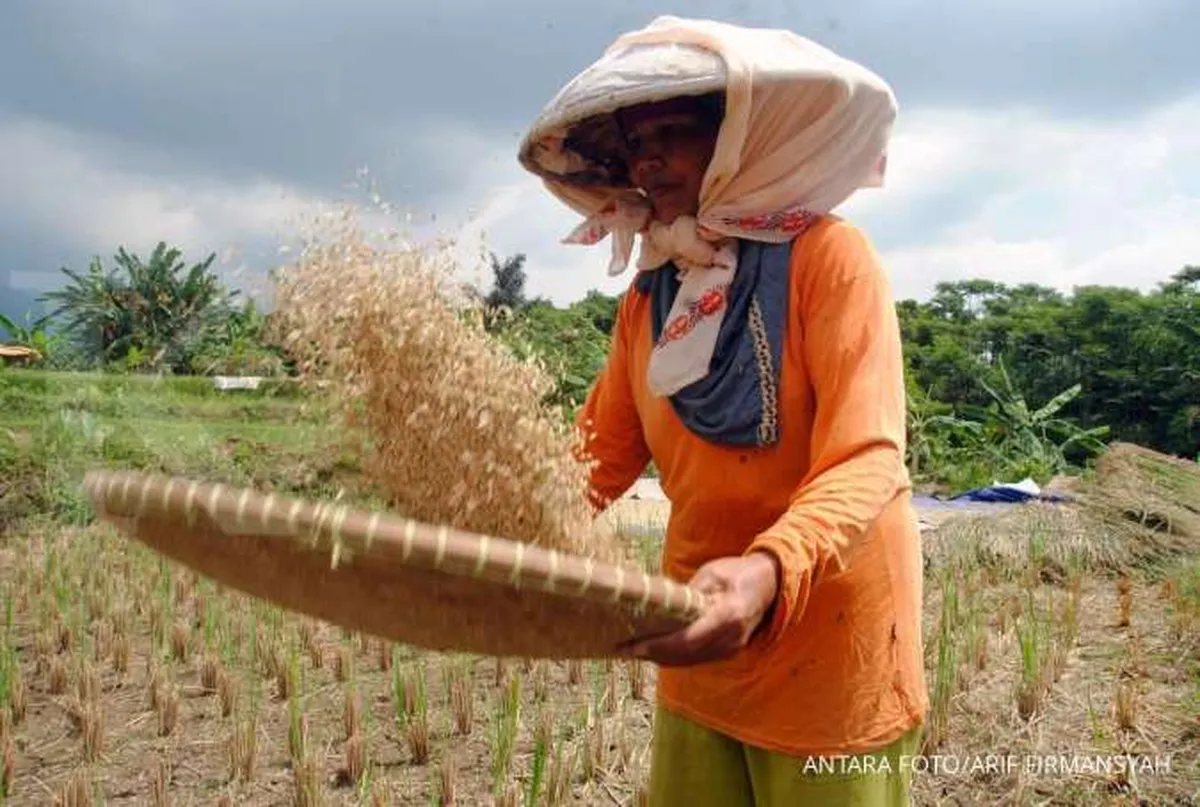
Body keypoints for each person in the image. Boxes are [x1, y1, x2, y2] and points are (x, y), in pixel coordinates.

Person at [518, 16, 929, 806]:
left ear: (737, 138)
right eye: (637, 139)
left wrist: (767, 571)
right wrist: (496, 532)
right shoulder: (650, 295)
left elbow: (869, 456)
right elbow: (599, 455)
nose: (647, 156)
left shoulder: (829, 259)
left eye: (674, 129)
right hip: (697, 629)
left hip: (829, 645)